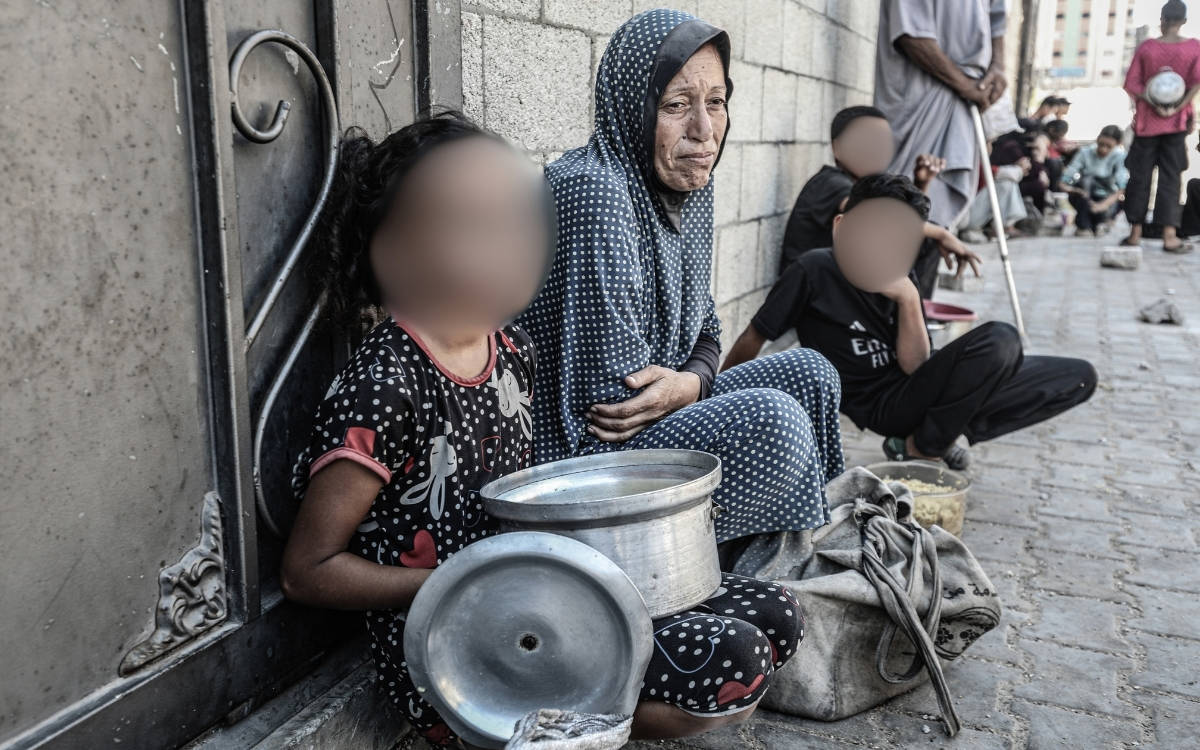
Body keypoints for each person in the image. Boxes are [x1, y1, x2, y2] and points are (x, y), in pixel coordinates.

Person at [279, 112, 805, 746]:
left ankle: (572, 717)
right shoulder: (388, 385)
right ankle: (526, 727)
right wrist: (471, 583)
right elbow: (307, 570)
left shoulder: (512, 351)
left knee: (777, 614)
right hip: (456, 641)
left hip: (536, 595)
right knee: (733, 662)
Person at [518, 10, 846, 554]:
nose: (704, 129)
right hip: (583, 462)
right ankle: (735, 571)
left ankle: (802, 549)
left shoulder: (689, 183)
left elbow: (709, 331)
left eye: (715, 102)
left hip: (662, 416)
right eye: (676, 105)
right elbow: (615, 406)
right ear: (634, 107)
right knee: (776, 421)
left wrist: (693, 382)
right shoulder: (595, 192)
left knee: (813, 373)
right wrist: (691, 384)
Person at [722, 174, 1098, 471]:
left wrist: (907, 297)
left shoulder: (899, 268)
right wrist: (717, 398)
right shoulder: (815, 268)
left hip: (922, 387)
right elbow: (754, 335)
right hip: (884, 405)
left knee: (1076, 376)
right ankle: (924, 446)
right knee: (1001, 339)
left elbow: (917, 364)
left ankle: (944, 433)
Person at [779, 105, 981, 298]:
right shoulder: (831, 183)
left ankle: (915, 313)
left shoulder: (862, 185)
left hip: (836, 280)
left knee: (920, 238)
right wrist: (942, 233)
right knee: (927, 235)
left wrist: (921, 183)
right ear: (838, 148)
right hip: (808, 289)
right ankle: (909, 316)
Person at [875, 0, 1008, 230]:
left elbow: (998, 18)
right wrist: (965, 86)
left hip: (967, 95)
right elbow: (911, 36)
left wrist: (998, 65)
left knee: (936, 208)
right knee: (900, 200)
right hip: (922, 96)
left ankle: (932, 242)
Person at [1121, 0, 1200, 253]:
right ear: (1184, 21)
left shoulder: (1147, 48)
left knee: (1140, 177)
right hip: (1175, 123)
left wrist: (1153, 101)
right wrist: (1177, 107)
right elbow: (1196, 83)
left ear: (1162, 19)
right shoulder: (1193, 48)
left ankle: (1135, 234)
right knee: (1171, 178)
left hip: (1147, 124)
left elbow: (1132, 83)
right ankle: (1169, 236)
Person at [1061, 125, 1129, 235]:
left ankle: (1101, 222)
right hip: (1085, 196)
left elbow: (1122, 187)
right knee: (1086, 181)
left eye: (1108, 146)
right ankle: (1084, 227)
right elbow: (1065, 179)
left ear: (1117, 144)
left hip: (1107, 199)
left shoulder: (1120, 156)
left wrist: (1103, 205)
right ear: (1097, 139)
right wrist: (1073, 190)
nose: (1103, 149)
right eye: (1101, 144)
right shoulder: (1085, 152)